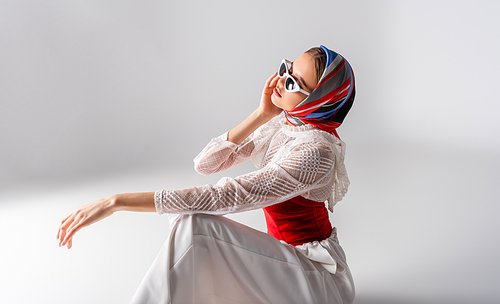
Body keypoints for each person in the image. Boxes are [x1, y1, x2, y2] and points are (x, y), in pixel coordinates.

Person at [57, 45, 356, 304]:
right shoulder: (285, 126)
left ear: (318, 102)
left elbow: (224, 196)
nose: (281, 80)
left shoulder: (315, 153)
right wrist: (261, 114)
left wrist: (116, 202)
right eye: (285, 69)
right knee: (192, 231)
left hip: (315, 281)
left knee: (195, 226)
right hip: (282, 263)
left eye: (293, 84)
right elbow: (206, 164)